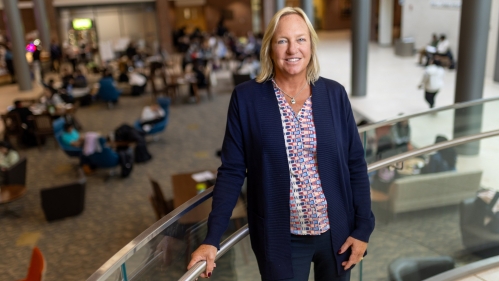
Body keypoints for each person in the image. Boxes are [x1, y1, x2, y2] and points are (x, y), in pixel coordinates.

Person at [188, 7, 374, 281]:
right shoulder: (247, 98)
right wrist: (212, 238)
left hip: (337, 235)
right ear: (269, 48)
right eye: (282, 40)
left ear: (311, 44)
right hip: (280, 238)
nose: (292, 49)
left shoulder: (334, 94)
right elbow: (232, 172)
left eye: (300, 39)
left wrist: (362, 229)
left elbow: (355, 164)